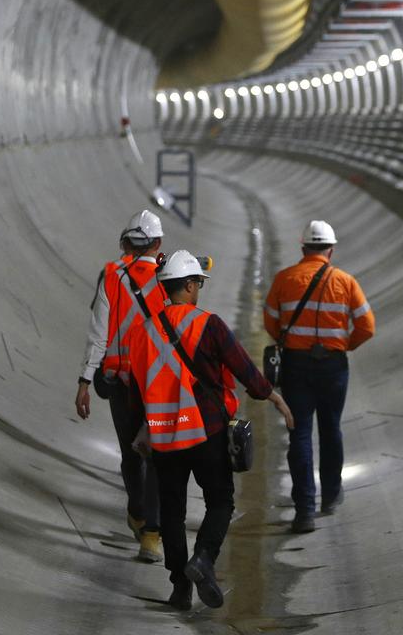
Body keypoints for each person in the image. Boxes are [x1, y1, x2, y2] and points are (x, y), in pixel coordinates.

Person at [125, 250, 294, 611]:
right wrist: (274, 398)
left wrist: (145, 429)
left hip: (166, 436)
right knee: (220, 501)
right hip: (207, 431)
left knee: (171, 511)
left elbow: (137, 389)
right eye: (198, 283)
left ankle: (179, 588)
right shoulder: (209, 324)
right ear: (187, 285)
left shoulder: (143, 333)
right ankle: (202, 558)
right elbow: (243, 369)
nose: (199, 288)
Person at [264, 220, 375, 534]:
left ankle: (304, 511)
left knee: (299, 433)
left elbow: (270, 322)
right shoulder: (345, 281)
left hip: (296, 366)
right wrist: (343, 346)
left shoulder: (285, 279)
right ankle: (330, 494)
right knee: (331, 429)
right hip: (333, 366)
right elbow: (367, 326)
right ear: (331, 249)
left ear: (303, 248)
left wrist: (288, 340)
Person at [76, 209, 166, 563]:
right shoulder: (169, 275)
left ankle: (139, 513)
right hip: (158, 383)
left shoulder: (111, 276)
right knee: (156, 455)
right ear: (157, 242)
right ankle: (152, 536)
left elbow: (98, 332)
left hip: (120, 383)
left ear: (126, 242)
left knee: (131, 454)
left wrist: (85, 380)